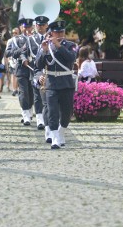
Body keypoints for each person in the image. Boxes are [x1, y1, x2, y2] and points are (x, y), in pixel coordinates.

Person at [35, 20, 78, 149]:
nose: (59, 34)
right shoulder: (46, 46)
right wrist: (44, 51)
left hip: (66, 83)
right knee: (52, 111)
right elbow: (38, 65)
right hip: (52, 84)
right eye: (56, 32)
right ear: (51, 32)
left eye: (61, 31)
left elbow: (71, 58)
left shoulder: (71, 45)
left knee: (67, 112)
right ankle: (54, 138)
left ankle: (61, 131)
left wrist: (58, 45)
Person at [5, 18, 37, 126]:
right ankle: (25, 114)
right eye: (25, 27)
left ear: (32, 27)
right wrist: (20, 50)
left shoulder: (36, 39)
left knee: (32, 92)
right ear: (21, 27)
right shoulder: (15, 40)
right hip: (21, 68)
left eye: (29, 27)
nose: (27, 29)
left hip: (33, 67)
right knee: (24, 92)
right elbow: (8, 52)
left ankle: (30, 111)